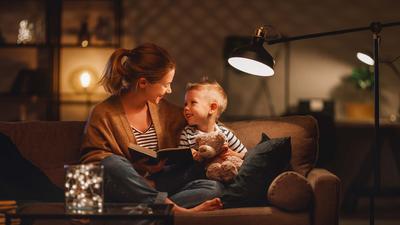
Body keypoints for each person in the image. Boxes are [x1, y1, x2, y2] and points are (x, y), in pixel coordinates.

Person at [80, 43, 223, 212]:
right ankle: (170, 209)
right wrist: (139, 171)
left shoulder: (166, 111)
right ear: (143, 83)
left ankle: (144, 211)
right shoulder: (103, 113)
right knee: (111, 163)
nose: (169, 90)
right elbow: (92, 162)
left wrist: (222, 146)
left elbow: (206, 125)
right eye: (165, 84)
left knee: (213, 188)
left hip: (160, 184)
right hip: (127, 187)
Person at [179, 80, 247, 161]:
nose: (186, 108)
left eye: (193, 103)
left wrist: (233, 154)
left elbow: (246, 155)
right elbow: (180, 160)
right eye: (185, 104)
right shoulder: (187, 133)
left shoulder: (225, 133)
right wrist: (190, 156)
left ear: (212, 108)